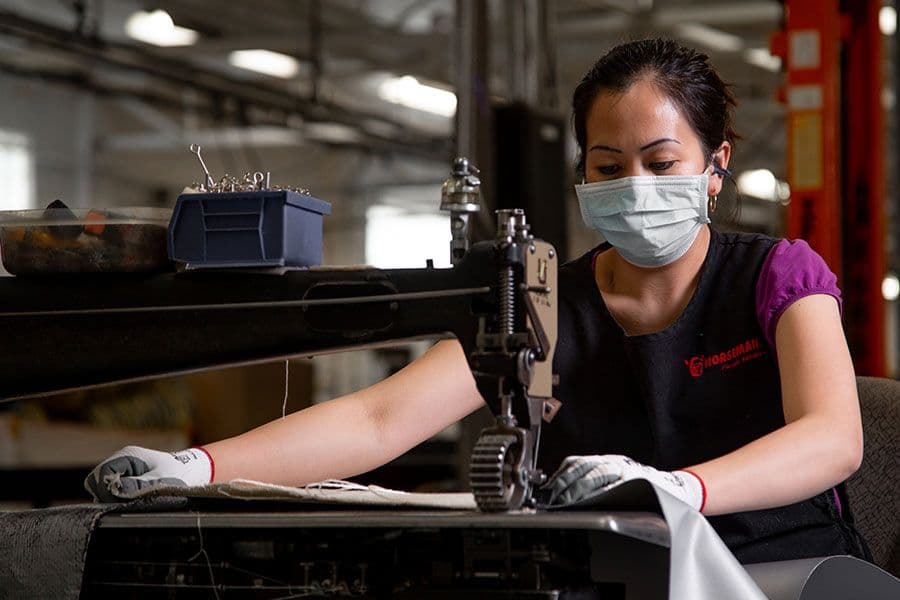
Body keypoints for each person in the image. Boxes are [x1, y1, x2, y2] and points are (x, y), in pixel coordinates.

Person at [86, 38, 870, 564]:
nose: (635, 186)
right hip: (617, 566)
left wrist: (681, 488)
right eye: (606, 166)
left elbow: (832, 438)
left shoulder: (779, 275)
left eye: (662, 162)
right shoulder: (542, 299)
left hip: (784, 566)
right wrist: (196, 467)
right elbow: (379, 419)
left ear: (715, 164)